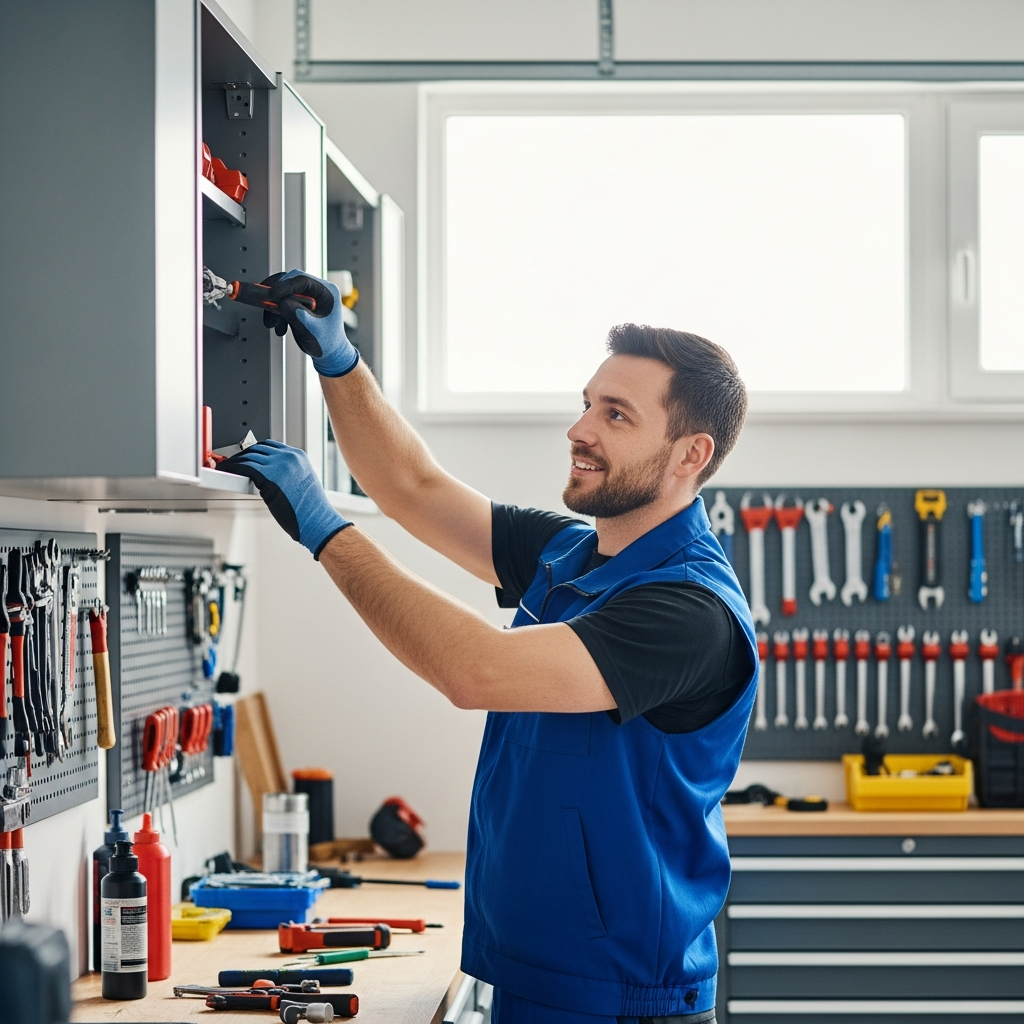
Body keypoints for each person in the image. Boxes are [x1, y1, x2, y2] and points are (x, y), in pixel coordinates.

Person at [223, 271, 756, 1024]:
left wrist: (325, 532)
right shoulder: (571, 555)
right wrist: (341, 363)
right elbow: (412, 487)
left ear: (688, 455)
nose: (581, 430)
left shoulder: (688, 611)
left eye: (616, 415)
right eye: (585, 405)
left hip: (619, 997)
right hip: (533, 968)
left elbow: (476, 670)